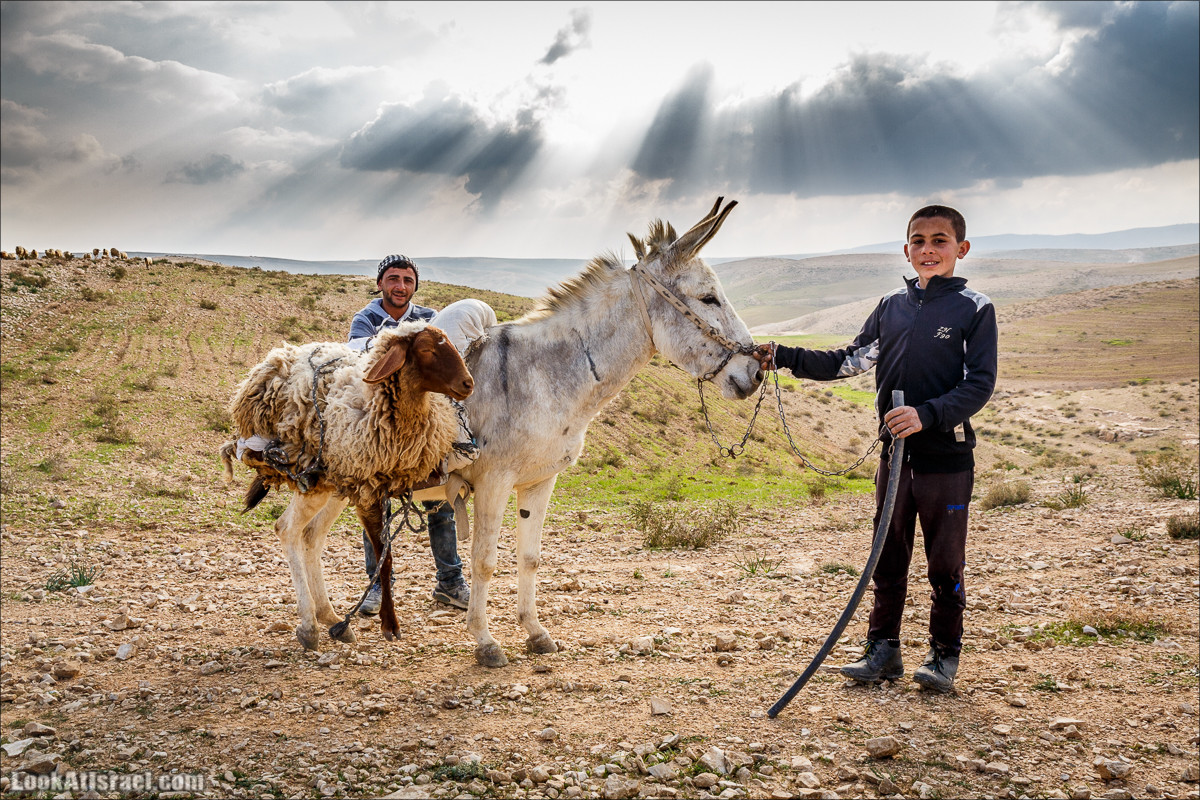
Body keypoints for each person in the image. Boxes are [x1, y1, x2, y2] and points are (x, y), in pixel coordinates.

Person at [757, 205, 997, 692]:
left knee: (944, 562)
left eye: (939, 241)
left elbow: (980, 383)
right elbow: (851, 359)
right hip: (894, 459)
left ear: (961, 249)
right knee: (886, 557)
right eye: (918, 241)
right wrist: (784, 356)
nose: (928, 250)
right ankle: (882, 650)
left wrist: (925, 414)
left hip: (945, 460)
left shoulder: (974, 307)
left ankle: (944, 655)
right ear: (906, 248)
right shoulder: (892, 305)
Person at [348, 254, 472, 613]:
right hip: (382, 427)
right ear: (380, 283)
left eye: (407, 279)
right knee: (375, 502)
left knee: (440, 500)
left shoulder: (431, 318)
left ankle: (450, 582)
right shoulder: (366, 318)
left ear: (415, 285)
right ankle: (376, 586)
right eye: (393, 278)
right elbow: (362, 360)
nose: (400, 286)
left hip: (425, 426)